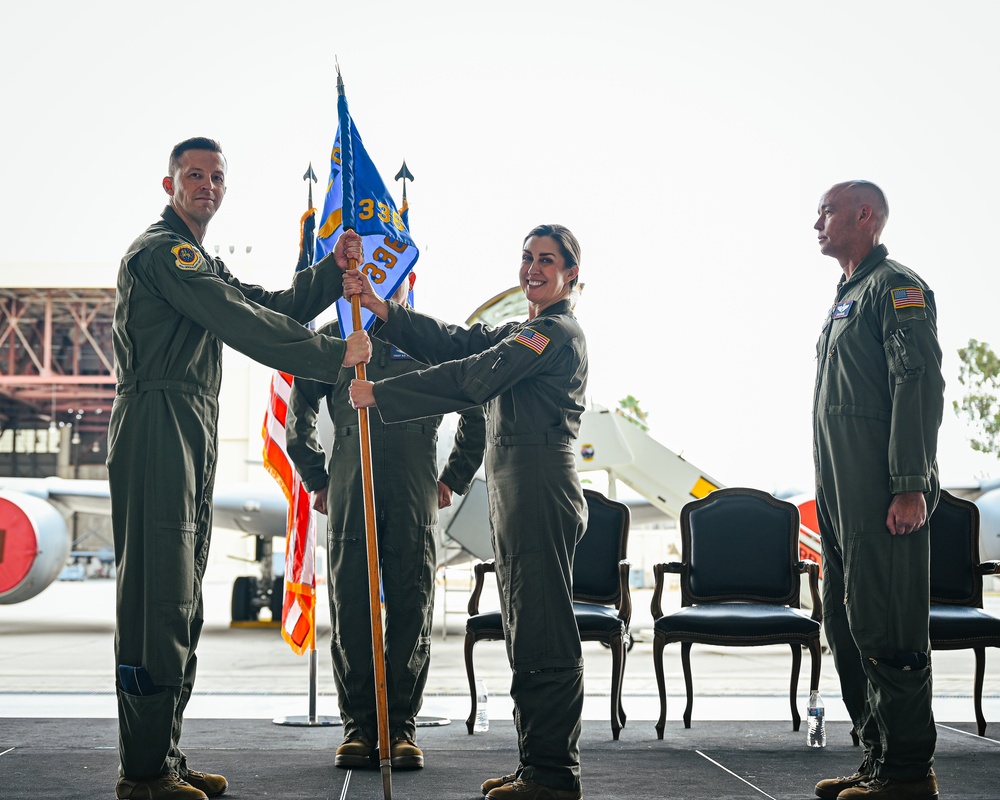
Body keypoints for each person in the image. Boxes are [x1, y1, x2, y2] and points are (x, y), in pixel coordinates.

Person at [109, 137, 371, 800]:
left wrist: (326, 269)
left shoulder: (198, 260)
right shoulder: (161, 253)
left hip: (190, 425)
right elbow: (241, 323)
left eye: (216, 176)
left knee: (183, 597)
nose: (207, 185)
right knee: (155, 598)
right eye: (193, 175)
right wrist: (338, 354)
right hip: (157, 424)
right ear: (168, 184)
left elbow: (269, 307)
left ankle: (163, 753)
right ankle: (143, 771)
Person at [345, 224, 588, 800]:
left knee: (544, 629)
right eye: (527, 258)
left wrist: (384, 395)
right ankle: (536, 764)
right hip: (513, 486)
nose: (533, 269)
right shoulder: (524, 329)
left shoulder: (553, 334)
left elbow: (472, 377)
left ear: (571, 274)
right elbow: (458, 342)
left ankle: (553, 773)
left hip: (538, 486)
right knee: (524, 627)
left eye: (547, 261)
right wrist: (384, 310)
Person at [285, 269, 486, 771]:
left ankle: (399, 728)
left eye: (389, 271)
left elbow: (475, 410)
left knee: (410, 612)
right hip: (350, 490)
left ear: (408, 277)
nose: (378, 279)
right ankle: (357, 727)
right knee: (352, 610)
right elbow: (298, 416)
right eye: (368, 268)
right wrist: (317, 478)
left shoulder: (425, 340)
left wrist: (452, 478)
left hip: (413, 491)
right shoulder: (334, 340)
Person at [811, 181, 945, 800]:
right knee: (845, 621)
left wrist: (911, 484)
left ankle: (908, 772)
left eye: (828, 211)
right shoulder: (849, 295)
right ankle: (878, 759)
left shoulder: (896, 288)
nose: (817, 222)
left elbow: (916, 385)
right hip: (841, 494)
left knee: (888, 625)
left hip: (879, 491)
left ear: (864, 215)